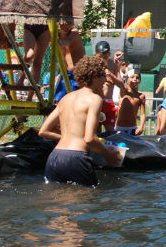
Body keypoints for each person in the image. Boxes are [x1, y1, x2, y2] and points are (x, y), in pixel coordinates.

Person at [38, 56, 122, 186]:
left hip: (55, 157)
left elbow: (44, 130)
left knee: (55, 197)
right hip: (77, 158)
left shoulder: (66, 98)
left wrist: (70, 136)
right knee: (84, 198)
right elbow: (89, 139)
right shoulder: (94, 99)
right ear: (95, 77)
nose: (106, 80)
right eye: (103, 76)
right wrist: (109, 156)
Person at [19, 23, 50, 101]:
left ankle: (30, 97)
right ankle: (21, 78)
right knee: (28, 56)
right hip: (30, 26)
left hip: (45, 28)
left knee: (37, 63)